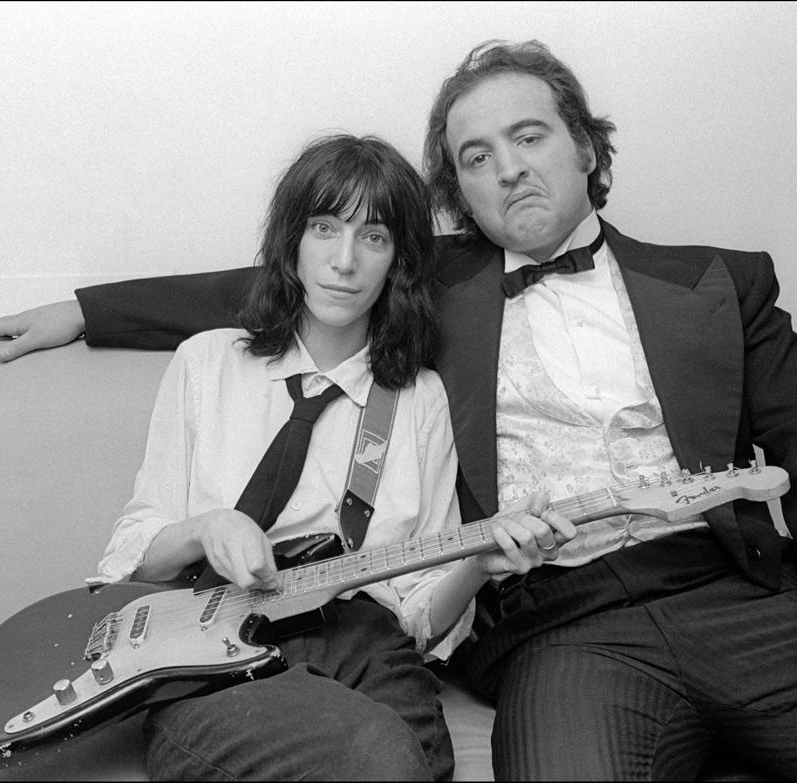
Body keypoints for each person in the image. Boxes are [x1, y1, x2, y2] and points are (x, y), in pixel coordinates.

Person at [0, 41, 797, 780]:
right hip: (559, 629)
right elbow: (280, 275)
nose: (507, 168)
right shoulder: (426, 286)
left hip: (737, 597)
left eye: (529, 136)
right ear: (457, 191)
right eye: (476, 155)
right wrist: (82, 311)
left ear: (585, 146)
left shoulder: (721, 281)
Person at [78, 132, 572, 782]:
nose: (345, 260)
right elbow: (132, 553)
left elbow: (421, 614)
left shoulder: (416, 397)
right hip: (213, 637)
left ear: (397, 260)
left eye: (373, 237)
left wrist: (477, 564)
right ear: (292, 242)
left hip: (367, 643)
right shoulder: (207, 363)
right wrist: (207, 527)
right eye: (324, 228)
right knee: (378, 756)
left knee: (402, 760)